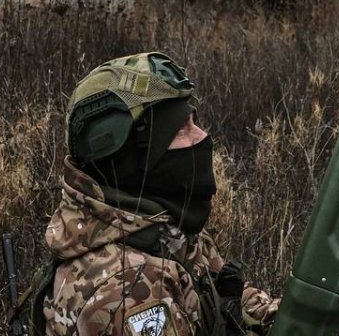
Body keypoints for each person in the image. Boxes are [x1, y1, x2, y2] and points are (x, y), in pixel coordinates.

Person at [34, 52, 278, 336]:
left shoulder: (158, 225)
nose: (201, 137)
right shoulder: (127, 291)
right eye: (179, 130)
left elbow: (220, 294)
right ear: (130, 157)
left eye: (193, 121)